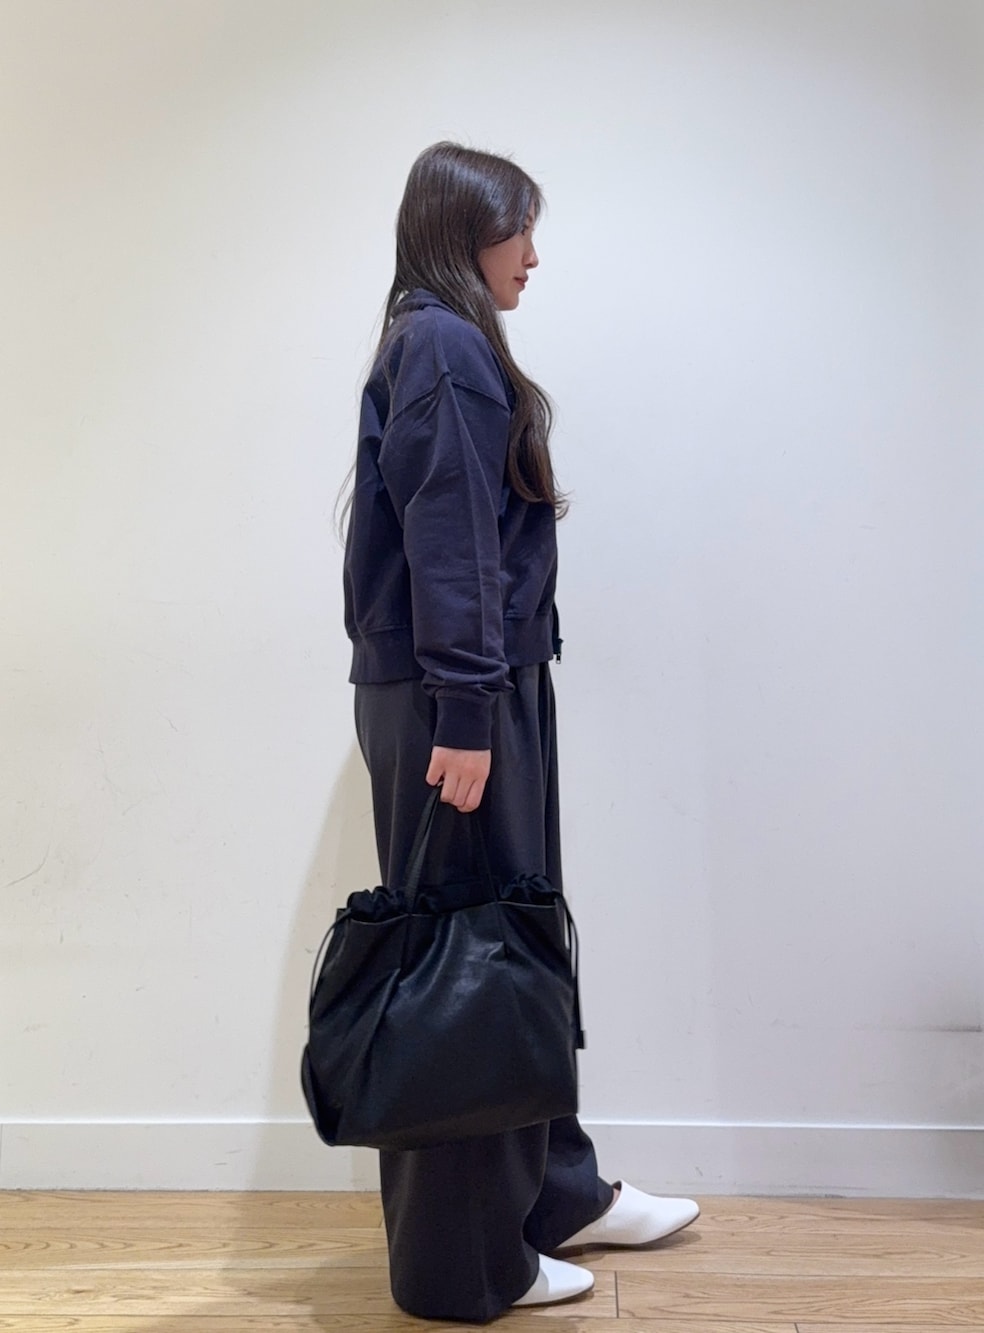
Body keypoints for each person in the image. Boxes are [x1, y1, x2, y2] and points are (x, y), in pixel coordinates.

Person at [342, 141, 699, 1323]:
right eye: (517, 231)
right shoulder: (441, 344)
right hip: (458, 695)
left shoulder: (443, 338)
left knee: (512, 937)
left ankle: (551, 1191)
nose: (533, 256)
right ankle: (460, 1265)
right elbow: (450, 538)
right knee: (462, 964)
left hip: (483, 682)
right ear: (463, 232)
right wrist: (464, 705)